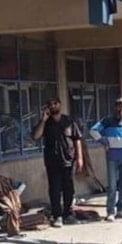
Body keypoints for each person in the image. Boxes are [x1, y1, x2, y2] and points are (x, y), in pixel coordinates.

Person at [31, 97, 83, 228]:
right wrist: (43, 119)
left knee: (68, 189)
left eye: (55, 103)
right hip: (52, 162)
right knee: (54, 189)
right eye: (50, 104)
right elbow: (36, 136)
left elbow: (77, 139)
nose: (53, 106)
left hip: (68, 161)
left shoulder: (69, 121)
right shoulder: (46, 123)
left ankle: (68, 214)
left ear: (60, 104)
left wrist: (80, 158)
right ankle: (57, 216)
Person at [91, 98, 122, 221]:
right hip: (112, 156)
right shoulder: (107, 120)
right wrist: (104, 141)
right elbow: (93, 131)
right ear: (115, 107)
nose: (120, 109)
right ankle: (110, 211)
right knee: (112, 185)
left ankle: (121, 208)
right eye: (118, 106)